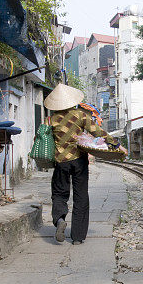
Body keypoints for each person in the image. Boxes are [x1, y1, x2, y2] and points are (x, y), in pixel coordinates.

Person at [44, 84, 125, 245]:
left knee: (59, 193)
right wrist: (116, 145)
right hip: (79, 160)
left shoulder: (51, 119)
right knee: (81, 196)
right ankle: (77, 237)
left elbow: (42, 140)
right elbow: (98, 132)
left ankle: (59, 219)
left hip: (61, 162)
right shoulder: (80, 115)